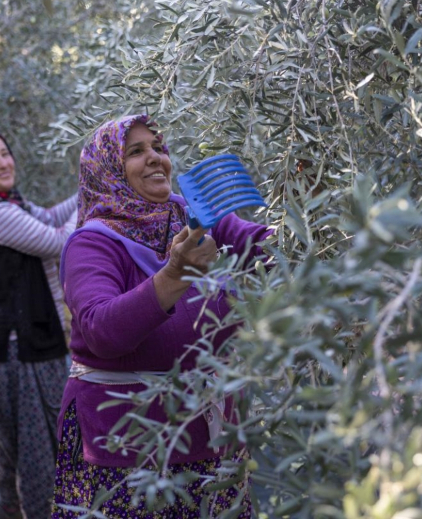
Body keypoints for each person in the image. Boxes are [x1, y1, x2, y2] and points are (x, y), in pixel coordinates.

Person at [51, 115, 271, 518]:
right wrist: (175, 274)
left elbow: (261, 246)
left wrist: (320, 232)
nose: (155, 158)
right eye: (136, 151)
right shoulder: (91, 243)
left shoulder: (193, 215)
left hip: (211, 443)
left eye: (158, 147)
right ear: (109, 170)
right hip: (126, 448)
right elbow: (103, 331)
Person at [0, 129, 78, 519]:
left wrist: (92, 183)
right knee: (36, 441)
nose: (3, 163)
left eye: (5, 153)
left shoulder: (4, 202)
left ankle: (11, 508)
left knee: (12, 435)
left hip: (11, 342)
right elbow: (59, 240)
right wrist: (99, 194)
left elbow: (52, 217)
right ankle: (41, 511)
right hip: (19, 345)